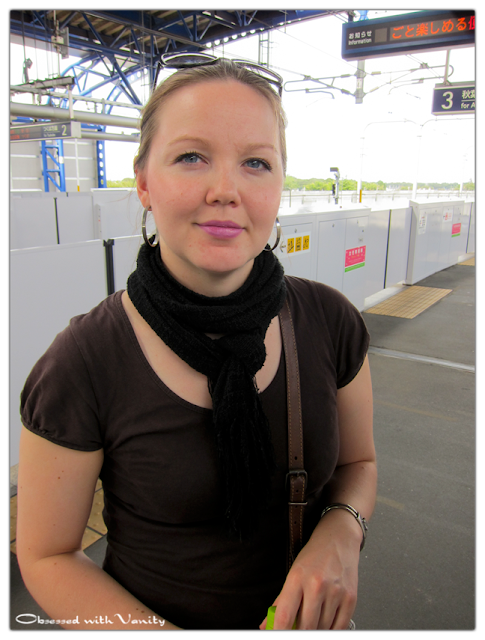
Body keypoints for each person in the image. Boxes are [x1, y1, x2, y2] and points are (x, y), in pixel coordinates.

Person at [17, 55, 376, 631]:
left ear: (280, 185)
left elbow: (358, 463)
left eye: (256, 162)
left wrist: (341, 528)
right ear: (143, 182)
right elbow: (48, 555)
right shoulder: (82, 362)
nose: (226, 190)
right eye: (191, 157)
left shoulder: (329, 320)